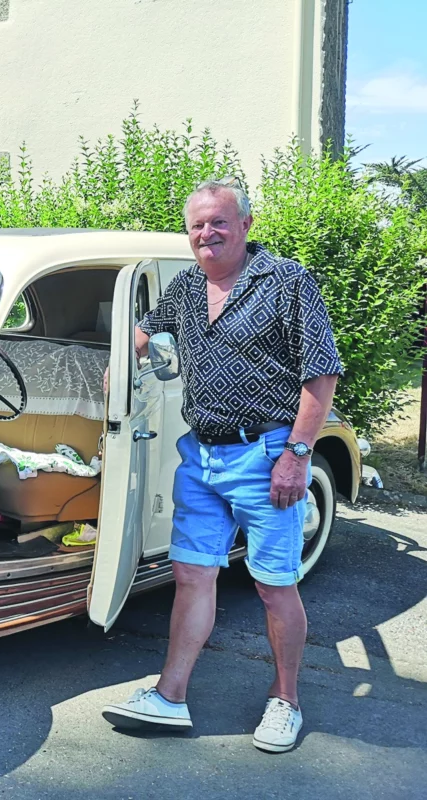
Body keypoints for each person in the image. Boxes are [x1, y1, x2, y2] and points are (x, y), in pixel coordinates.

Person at [101, 178, 343, 753]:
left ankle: (286, 701)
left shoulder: (288, 282)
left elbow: (322, 374)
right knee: (192, 575)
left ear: (245, 226)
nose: (206, 234)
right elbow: (147, 330)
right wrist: (122, 359)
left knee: (273, 584)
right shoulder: (186, 287)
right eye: (196, 226)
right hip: (201, 454)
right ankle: (170, 695)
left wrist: (297, 456)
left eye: (218, 223)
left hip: (267, 456)